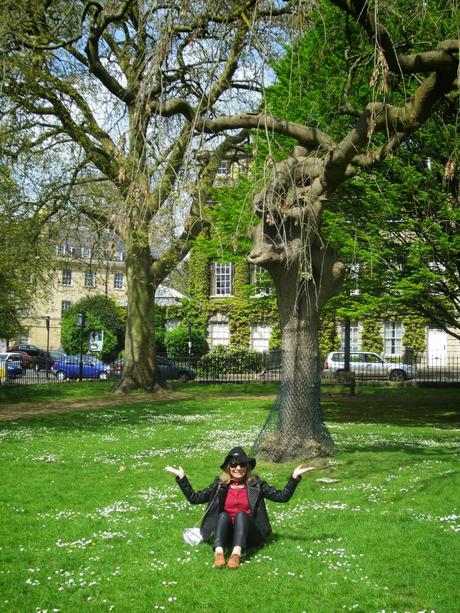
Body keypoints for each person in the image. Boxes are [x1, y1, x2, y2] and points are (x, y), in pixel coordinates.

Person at [165, 446, 314, 570]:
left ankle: (236, 554)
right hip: (227, 534)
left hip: (250, 535)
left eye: (242, 464)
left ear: (247, 467)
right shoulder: (220, 485)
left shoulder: (256, 484)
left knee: (242, 515)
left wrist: (294, 477)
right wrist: (181, 478)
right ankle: (219, 553)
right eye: (234, 465)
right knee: (223, 515)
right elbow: (195, 498)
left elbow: (282, 497)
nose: (238, 468)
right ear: (228, 468)